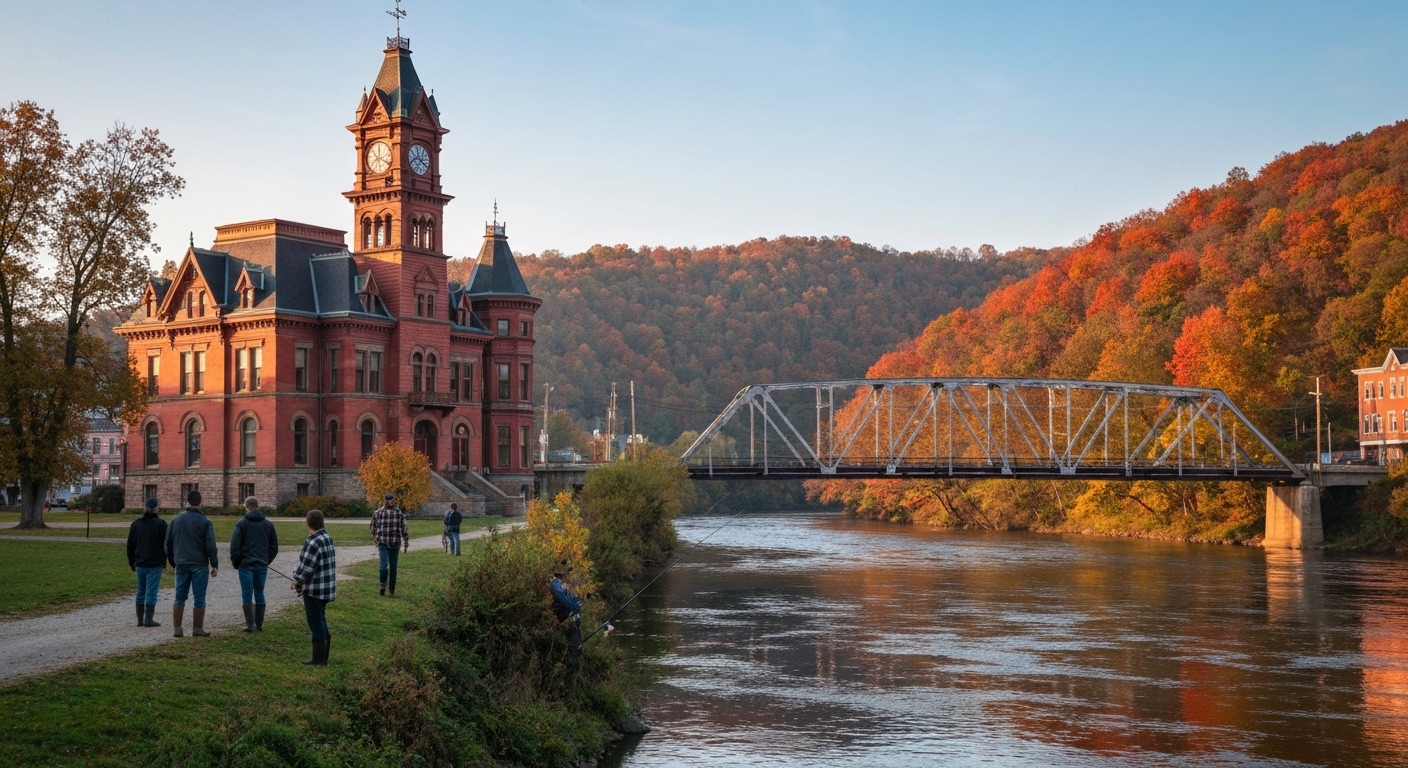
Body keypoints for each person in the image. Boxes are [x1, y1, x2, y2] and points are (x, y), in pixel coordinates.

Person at [165, 489, 218, 637]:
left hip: (181, 562)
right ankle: (197, 628)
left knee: (179, 596)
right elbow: (210, 545)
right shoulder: (205, 522)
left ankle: (177, 628)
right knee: (199, 597)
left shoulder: (176, 520)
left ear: (187, 501)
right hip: (199, 563)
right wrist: (214, 564)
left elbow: (168, 543)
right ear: (200, 502)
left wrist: (172, 560)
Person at [291, 509, 336, 666]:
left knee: (315, 621)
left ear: (308, 522)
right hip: (326, 588)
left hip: (314, 590)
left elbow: (307, 567)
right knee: (321, 619)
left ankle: (318, 659)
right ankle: (323, 657)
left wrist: (296, 580)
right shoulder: (327, 537)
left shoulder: (313, 541)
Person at [230, 496, 278, 633]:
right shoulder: (268, 524)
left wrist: (236, 562)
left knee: (247, 594)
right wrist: (266, 560)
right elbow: (274, 547)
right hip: (261, 564)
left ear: (246, 507)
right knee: (259, 592)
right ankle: (259, 625)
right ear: (258, 507)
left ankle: (250, 625)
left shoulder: (241, 524)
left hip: (246, 564)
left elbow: (235, 546)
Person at [126, 497, 167, 628]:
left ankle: (140, 619)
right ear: (156, 508)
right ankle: (148, 619)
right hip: (155, 562)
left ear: (145, 508)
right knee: (151, 591)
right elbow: (165, 544)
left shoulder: (136, 524)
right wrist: (165, 561)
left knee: (141, 590)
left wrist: (132, 561)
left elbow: (130, 545)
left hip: (140, 561)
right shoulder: (162, 524)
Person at [370, 493, 409, 596]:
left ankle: (392, 590)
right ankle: (383, 585)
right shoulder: (378, 513)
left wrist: (406, 542)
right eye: (390, 500)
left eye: (393, 500)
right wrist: (374, 536)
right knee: (383, 565)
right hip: (382, 542)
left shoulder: (398, 513)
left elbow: (404, 527)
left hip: (395, 543)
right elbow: (372, 525)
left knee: (393, 567)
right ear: (386, 501)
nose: (392, 501)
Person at [550, 568, 583, 662]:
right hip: (566, 617)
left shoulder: (560, 585)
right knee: (575, 644)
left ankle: (575, 651)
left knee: (576, 642)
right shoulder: (555, 584)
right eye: (567, 572)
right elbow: (568, 603)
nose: (568, 575)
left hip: (571, 617)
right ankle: (569, 662)